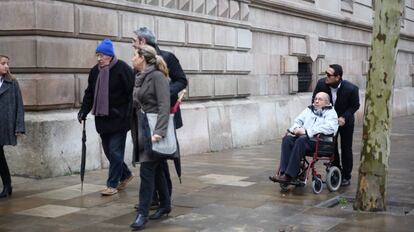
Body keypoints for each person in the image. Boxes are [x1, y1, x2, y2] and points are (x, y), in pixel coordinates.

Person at [132, 27, 187, 208]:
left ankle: (163, 199)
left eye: (134, 40)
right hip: (145, 120)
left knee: (160, 159)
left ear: (142, 41)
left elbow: (181, 80)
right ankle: (159, 200)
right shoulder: (139, 62)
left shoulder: (167, 57)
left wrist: (163, 92)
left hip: (163, 117)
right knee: (152, 161)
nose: (131, 44)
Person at [77, 39, 134, 196]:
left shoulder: (123, 69)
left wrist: (126, 113)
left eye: (101, 55)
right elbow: (89, 93)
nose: (99, 58)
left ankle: (112, 184)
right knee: (109, 152)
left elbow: (132, 93)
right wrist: (83, 111)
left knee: (115, 151)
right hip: (102, 118)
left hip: (119, 118)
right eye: (97, 55)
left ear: (109, 55)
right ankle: (126, 174)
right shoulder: (95, 71)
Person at [130, 45, 172, 230]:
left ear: (143, 58)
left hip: (154, 130)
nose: (132, 58)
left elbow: (165, 105)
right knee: (157, 169)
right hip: (142, 128)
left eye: (134, 55)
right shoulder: (140, 77)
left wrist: (160, 132)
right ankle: (165, 205)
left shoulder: (157, 77)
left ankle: (142, 213)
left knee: (147, 171)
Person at [269, 92, 338, 183]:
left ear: (326, 102)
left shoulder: (331, 113)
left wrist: (307, 132)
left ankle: (289, 175)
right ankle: (283, 173)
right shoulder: (309, 109)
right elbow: (298, 121)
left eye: (319, 99)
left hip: (320, 142)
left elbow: (330, 128)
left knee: (301, 140)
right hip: (305, 140)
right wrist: (294, 129)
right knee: (287, 139)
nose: (316, 101)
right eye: (315, 99)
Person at [312, 64, 360, 187]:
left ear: (338, 77)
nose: (326, 77)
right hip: (328, 122)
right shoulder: (321, 84)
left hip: (345, 121)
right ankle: (336, 171)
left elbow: (355, 105)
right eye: (325, 74)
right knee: (331, 146)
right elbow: (315, 100)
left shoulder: (351, 88)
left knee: (346, 148)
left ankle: (346, 176)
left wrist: (344, 117)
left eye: (329, 75)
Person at [0, 54, 25, 198]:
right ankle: (7, 184)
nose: (6, 66)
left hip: (4, 125)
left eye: (7, 63)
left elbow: (19, 106)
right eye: (3, 63)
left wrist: (19, 127)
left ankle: (7, 185)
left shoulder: (12, 82)